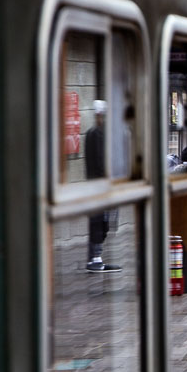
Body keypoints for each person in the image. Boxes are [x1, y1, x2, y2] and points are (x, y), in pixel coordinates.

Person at [85, 100, 120, 273]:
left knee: (100, 222)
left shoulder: (93, 133)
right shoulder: (98, 134)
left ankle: (95, 256)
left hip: (96, 184)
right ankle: (95, 257)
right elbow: (101, 161)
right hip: (100, 186)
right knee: (100, 222)